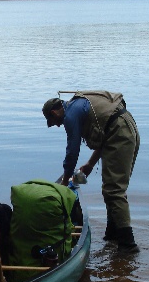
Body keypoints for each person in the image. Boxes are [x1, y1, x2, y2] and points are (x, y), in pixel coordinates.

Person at [42, 91, 140, 254]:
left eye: (54, 122)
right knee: (111, 188)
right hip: (124, 129)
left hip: (121, 134)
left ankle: (128, 245)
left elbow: (72, 152)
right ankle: (113, 234)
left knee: (114, 190)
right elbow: (106, 133)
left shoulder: (70, 115)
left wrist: (65, 182)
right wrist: (90, 164)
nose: (58, 125)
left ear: (54, 112)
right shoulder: (77, 106)